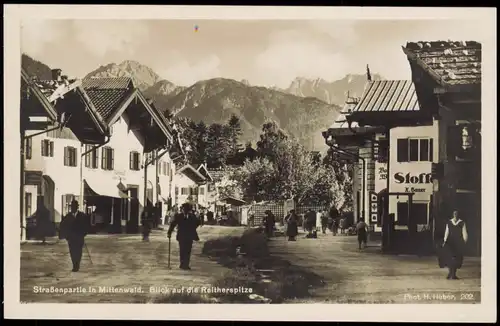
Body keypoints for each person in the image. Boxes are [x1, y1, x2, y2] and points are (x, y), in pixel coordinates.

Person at [167, 203, 200, 270]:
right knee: (182, 250)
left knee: (188, 250)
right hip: (181, 236)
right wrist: (169, 232)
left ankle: (186, 264)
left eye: (186, 209)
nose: (185, 210)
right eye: (184, 209)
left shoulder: (192, 216)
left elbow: (198, 222)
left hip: (189, 236)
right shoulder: (179, 216)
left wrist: (192, 228)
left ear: (189, 210)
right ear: (182, 209)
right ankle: (182, 264)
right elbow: (173, 224)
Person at [59, 200, 89, 272]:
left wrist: (83, 234)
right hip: (71, 238)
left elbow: (86, 226)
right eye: (72, 207)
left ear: (77, 207)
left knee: (78, 252)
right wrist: (66, 237)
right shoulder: (68, 217)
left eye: (75, 206)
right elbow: (63, 227)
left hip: (79, 237)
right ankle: (74, 265)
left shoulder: (82, 216)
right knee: (72, 252)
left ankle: (77, 264)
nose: (73, 208)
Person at [442, 210, 468, 280]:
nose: (455, 215)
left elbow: (464, 233)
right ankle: (450, 273)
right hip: (450, 242)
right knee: (450, 258)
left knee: (457, 258)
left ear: (458, 214)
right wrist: (444, 241)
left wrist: (464, 241)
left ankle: (453, 274)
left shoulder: (462, 223)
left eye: (456, 213)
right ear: (453, 214)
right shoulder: (449, 222)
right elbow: (446, 232)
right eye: (454, 213)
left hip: (458, 243)